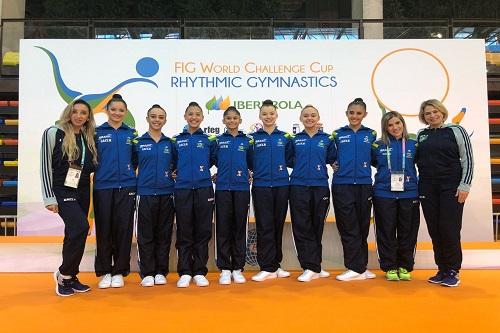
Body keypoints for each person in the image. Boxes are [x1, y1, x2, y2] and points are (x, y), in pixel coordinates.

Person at [40, 99, 97, 296]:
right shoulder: (53, 132)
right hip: (62, 190)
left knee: (77, 232)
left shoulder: (88, 136)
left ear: (88, 117)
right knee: (79, 227)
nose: (79, 116)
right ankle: (63, 274)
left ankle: (71, 276)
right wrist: (49, 197)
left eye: (83, 113)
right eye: (75, 111)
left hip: (82, 190)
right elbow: (45, 166)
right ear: (68, 112)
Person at [416, 99, 473, 287]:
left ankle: (453, 270)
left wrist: (465, 185)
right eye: (427, 113)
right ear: (423, 117)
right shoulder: (421, 135)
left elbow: (468, 159)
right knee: (435, 229)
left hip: (451, 187)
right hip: (427, 187)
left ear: (442, 112)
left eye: (434, 111)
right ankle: (441, 268)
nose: (432, 115)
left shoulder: (457, 131)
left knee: (449, 228)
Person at [93, 94, 138, 289]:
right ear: (106, 111)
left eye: (121, 110)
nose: (117, 113)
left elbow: (136, 160)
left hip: (127, 186)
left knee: (123, 229)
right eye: (113, 110)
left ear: (125, 112)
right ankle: (104, 271)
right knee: (104, 230)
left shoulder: (132, 134)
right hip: (103, 186)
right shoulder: (95, 132)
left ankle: (119, 271)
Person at [331, 98, 377, 281]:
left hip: (365, 185)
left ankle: (361, 268)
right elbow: (328, 155)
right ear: (346, 114)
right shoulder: (336, 134)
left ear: (364, 115)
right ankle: (353, 267)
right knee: (348, 226)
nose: (355, 116)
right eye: (351, 113)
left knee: (362, 227)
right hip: (342, 185)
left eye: (359, 113)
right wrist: (333, 163)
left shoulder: (371, 134)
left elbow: (376, 158)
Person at [288, 105, 336, 282]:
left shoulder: (327, 139)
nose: (309, 118)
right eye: (306, 115)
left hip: (320, 186)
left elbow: (332, 159)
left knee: (317, 227)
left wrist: (335, 165)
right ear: (300, 118)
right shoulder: (294, 140)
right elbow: (289, 160)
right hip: (298, 186)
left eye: (313, 115)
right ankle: (309, 266)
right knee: (302, 227)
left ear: (318, 117)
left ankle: (316, 265)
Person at [172, 101, 217, 288]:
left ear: (202, 118)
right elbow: (171, 162)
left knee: (203, 231)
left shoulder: (209, 140)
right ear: (185, 117)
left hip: (203, 188)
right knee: (184, 231)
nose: (194, 117)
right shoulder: (176, 140)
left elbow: (218, 160)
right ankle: (184, 271)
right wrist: (172, 171)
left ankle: (199, 270)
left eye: (197, 114)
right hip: (182, 189)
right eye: (190, 114)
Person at [372, 111, 419, 281]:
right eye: (390, 125)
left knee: (408, 231)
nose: (394, 127)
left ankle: (405, 266)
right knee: (386, 231)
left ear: (403, 124)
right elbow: (373, 162)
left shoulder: (414, 144)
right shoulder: (377, 145)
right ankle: (390, 266)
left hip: (410, 193)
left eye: (397, 123)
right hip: (383, 194)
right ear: (385, 128)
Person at [250, 99, 293, 282]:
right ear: (260, 116)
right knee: (264, 226)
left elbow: (291, 159)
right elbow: (248, 161)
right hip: (261, 186)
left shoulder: (285, 138)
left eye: (271, 113)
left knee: (277, 225)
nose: (268, 117)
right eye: (265, 114)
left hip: (282, 185)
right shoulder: (253, 138)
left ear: (276, 115)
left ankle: (276, 265)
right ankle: (266, 266)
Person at [134, 104, 175, 287]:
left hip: (167, 193)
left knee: (163, 234)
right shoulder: (138, 143)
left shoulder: (170, 144)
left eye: (160, 117)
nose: (157, 120)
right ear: (147, 119)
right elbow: (131, 165)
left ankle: (160, 271)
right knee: (145, 235)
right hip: (145, 193)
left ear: (165, 120)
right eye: (153, 116)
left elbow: (177, 165)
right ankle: (147, 272)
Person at [214, 106, 252, 285]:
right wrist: (217, 175)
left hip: (242, 189)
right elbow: (210, 160)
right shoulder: (218, 141)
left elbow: (252, 162)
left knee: (239, 228)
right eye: (228, 118)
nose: (232, 121)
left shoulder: (247, 141)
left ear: (240, 120)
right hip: (222, 189)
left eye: (235, 118)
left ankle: (237, 268)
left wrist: (249, 173)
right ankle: (224, 268)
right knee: (223, 228)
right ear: (223, 121)